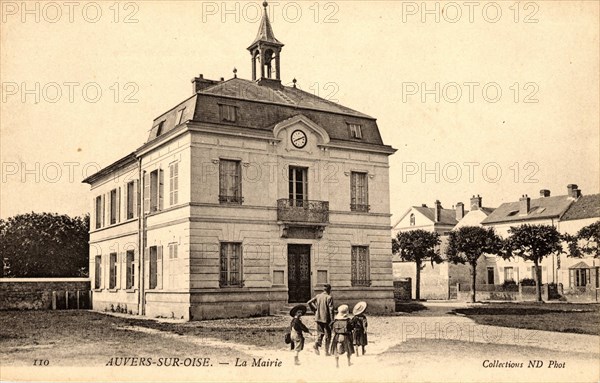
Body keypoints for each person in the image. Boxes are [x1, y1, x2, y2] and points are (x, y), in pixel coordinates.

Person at [306, 284, 334, 356]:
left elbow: (309, 302)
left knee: (320, 334)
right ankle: (326, 352)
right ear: (329, 290)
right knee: (328, 335)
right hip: (326, 319)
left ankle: (316, 344)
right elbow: (331, 310)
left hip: (318, 318)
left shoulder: (318, 296)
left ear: (323, 290)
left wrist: (315, 310)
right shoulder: (329, 297)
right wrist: (332, 320)